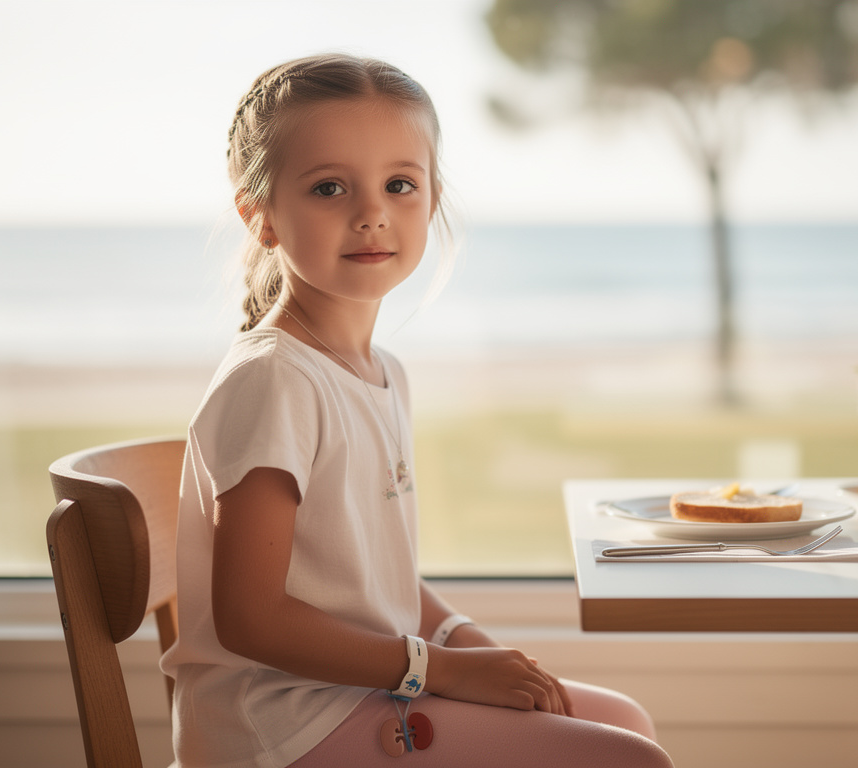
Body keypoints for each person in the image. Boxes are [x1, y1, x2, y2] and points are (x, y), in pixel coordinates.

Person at [160, 53, 673, 768]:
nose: (372, 213)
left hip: (367, 690)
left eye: (399, 184)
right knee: (627, 759)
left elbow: (375, 584)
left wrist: (469, 644)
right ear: (262, 216)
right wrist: (444, 671)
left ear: (429, 201)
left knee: (625, 720)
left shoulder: (383, 374)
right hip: (282, 728)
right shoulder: (274, 381)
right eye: (330, 187)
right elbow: (252, 619)